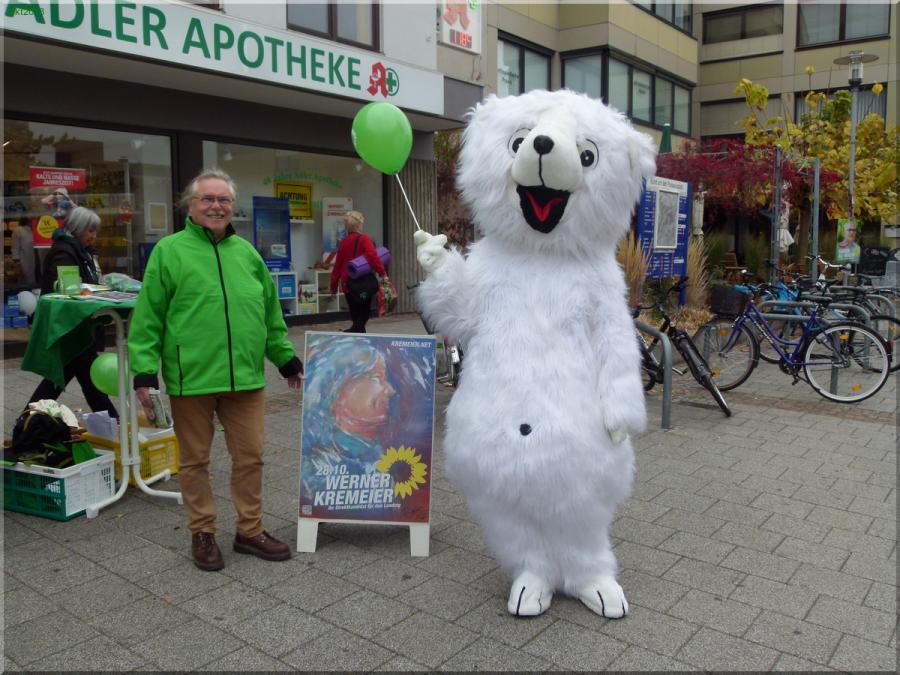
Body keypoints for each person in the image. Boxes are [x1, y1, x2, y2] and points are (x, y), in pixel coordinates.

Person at [128, 169, 304, 572]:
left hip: (245, 377)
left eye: (223, 199)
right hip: (191, 378)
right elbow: (148, 316)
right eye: (207, 198)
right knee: (194, 461)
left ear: (232, 207)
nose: (216, 206)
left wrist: (284, 358)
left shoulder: (247, 254)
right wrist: (143, 372)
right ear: (191, 206)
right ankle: (202, 531)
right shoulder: (169, 252)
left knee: (251, 457)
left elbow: (269, 314)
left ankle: (250, 530)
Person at [27, 207, 118, 416]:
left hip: (76, 324)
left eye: (95, 231)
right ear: (77, 229)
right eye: (90, 231)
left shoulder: (82, 251)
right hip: (69, 324)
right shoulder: (64, 252)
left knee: (68, 376)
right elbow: (67, 288)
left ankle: (28, 418)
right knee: (85, 374)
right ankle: (114, 422)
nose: (93, 236)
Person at [330, 211, 387, 333]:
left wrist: (333, 287)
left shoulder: (343, 243)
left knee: (356, 317)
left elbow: (337, 266)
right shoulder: (364, 239)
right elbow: (373, 256)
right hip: (363, 284)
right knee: (364, 315)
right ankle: (348, 333)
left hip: (348, 285)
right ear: (359, 225)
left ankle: (357, 341)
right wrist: (382, 272)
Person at [11, 216, 36, 287]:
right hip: (24, 260)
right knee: (24, 280)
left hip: (35, 260)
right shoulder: (18, 230)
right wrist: (17, 262)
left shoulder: (35, 230)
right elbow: (15, 247)